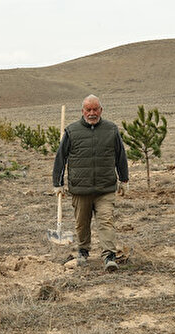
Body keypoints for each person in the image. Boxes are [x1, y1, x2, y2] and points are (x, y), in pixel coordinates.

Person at [52, 94, 129, 272]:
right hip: (80, 189)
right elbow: (60, 159)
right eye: (88, 109)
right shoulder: (71, 131)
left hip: (105, 188)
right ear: (83, 111)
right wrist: (58, 183)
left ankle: (109, 256)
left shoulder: (111, 130)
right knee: (82, 223)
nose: (92, 113)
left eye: (95, 109)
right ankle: (83, 251)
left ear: (101, 110)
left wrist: (124, 179)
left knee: (106, 221)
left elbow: (120, 156)